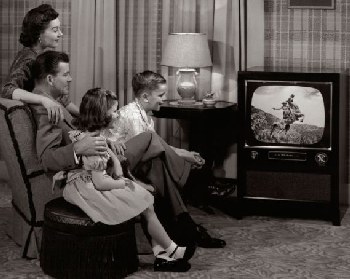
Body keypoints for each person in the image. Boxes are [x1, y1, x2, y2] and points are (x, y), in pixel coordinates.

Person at [30, 51, 195, 272]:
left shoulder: (57, 100)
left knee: (155, 162)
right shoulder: (45, 108)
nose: (70, 78)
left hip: (102, 155)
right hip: (92, 167)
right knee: (149, 139)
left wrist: (106, 139)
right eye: (66, 74)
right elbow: (46, 159)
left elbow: (87, 119)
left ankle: (168, 246)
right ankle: (180, 213)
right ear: (50, 79)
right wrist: (80, 148)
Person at [110, 70, 226, 249]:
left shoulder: (146, 117)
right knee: (158, 165)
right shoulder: (131, 115)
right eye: (161, 95)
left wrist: (184, 153)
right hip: (121, 166)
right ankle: (190, 191)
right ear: (146, 96)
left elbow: (159, 147)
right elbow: (150, 148)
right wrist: (185, 155)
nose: (163, 99)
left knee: (158, 166)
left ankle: (187, 226)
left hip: (142, 164)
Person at [1, 4, 79, 124]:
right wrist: (44, 100)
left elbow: (62, 100)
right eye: (55, 30)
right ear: (39, 34)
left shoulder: (41, 56)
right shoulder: (28, 58)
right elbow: (7, 91)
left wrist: (84, 115)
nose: (61, 34)